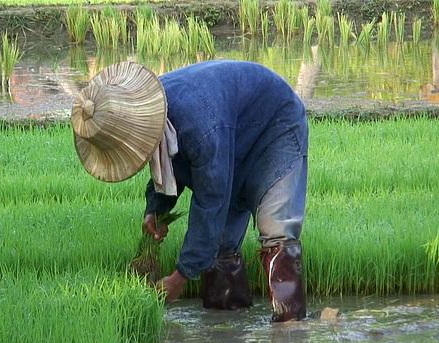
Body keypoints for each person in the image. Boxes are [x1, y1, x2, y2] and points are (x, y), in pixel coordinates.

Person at [71, 60, 308, 322]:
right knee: (221, 243)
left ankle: (290, 332)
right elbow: (168, 160)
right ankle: (227, 328)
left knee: (276, 228)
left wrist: (180, 277)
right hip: (230, 130)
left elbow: (211, 201)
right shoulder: (156, 118)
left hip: (274, 123)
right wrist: (155, 210)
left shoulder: (198, 126)